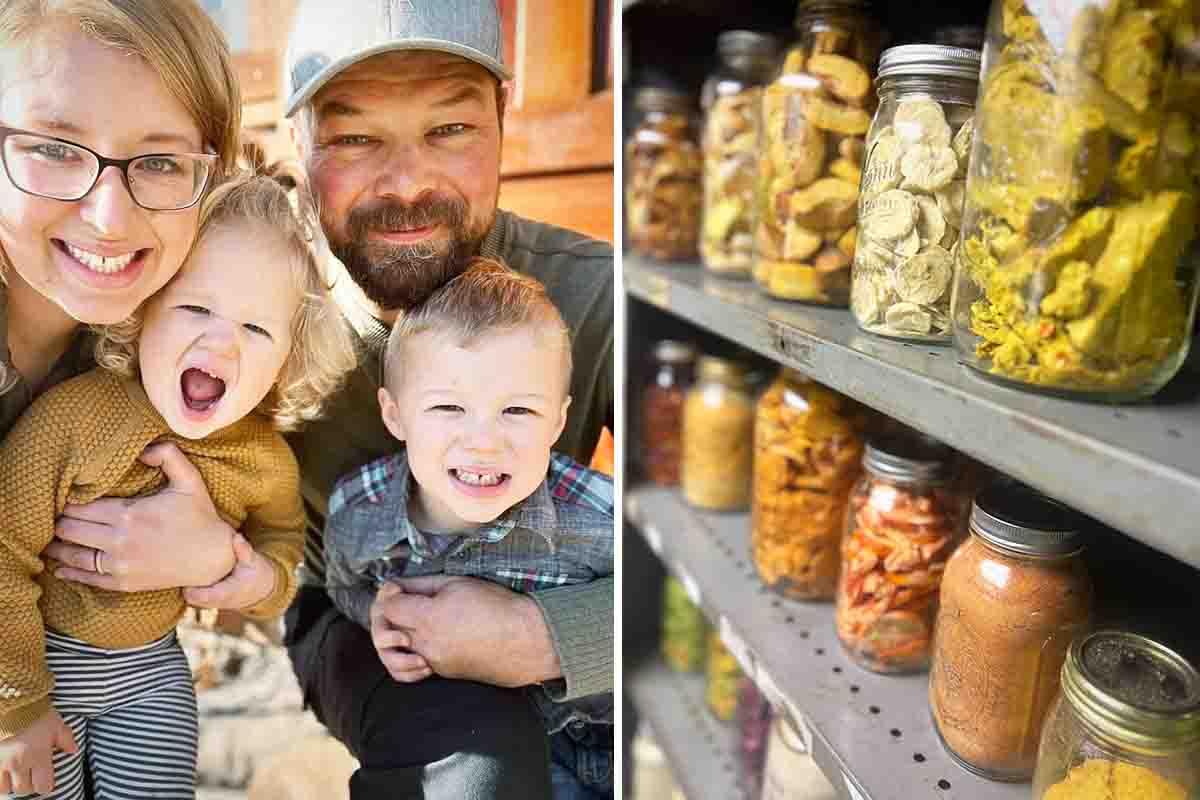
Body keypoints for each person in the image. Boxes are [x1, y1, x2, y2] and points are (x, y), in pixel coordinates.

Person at [50, 1, 614, 797]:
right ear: (299, 143)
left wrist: (553, 637)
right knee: (476, 764)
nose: (408, 181)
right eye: (354, 137)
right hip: (348, 615)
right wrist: (209, 554)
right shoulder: (250, 297)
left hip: (548, 586)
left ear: (501, 119)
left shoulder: (601, 297)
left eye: (450, 129)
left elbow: (724, 573)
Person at [0, 172, 355, 799]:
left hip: (151, 678)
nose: (221, 341)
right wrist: (18, 705)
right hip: (43, 668)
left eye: (257, 329)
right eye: (195, 308)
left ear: (288, 359)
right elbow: (3, 551)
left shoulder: (263, 458)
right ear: (143, 313)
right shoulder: (74, 419)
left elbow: (282, 540)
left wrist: (255, 579)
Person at [324, 257, 614, 798]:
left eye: (518, 412)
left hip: (607, 746)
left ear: (557, 421)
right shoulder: (357, 511)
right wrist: (377, 616)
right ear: (395, 415)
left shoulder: (598, 517)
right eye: (449, 407)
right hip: (491, 748)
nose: (483, 442)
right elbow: (346, 584)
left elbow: (668, 597)